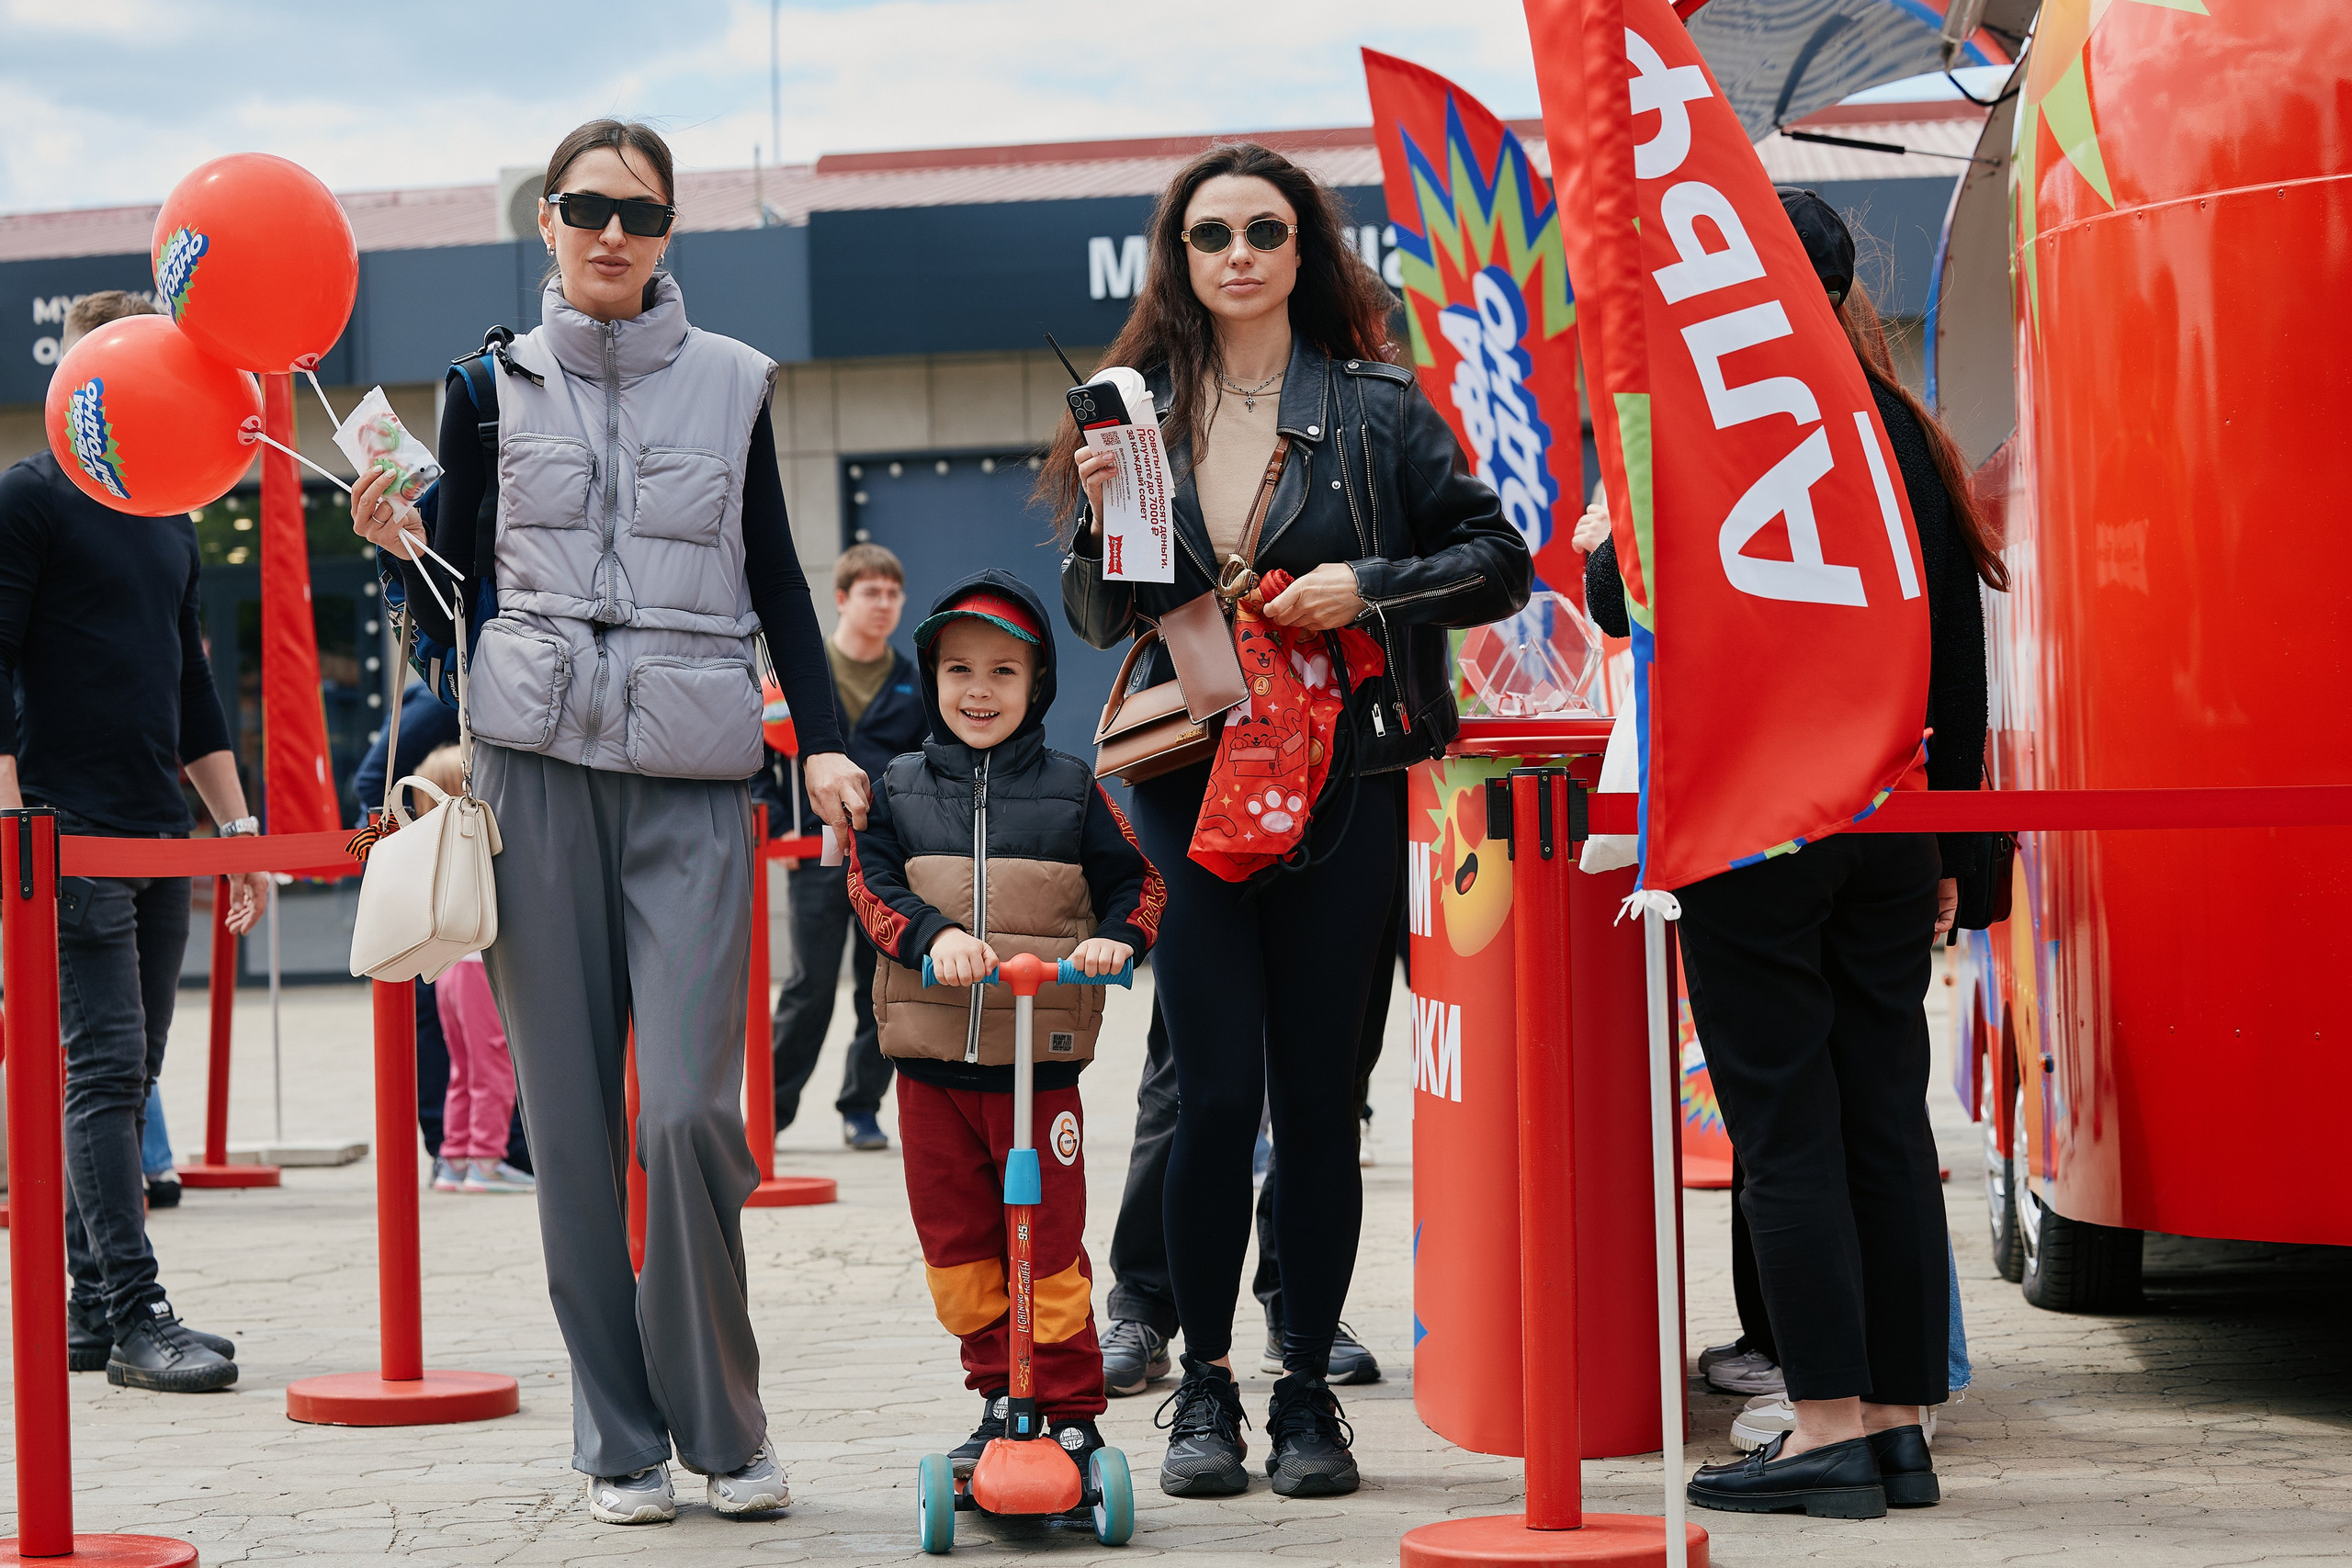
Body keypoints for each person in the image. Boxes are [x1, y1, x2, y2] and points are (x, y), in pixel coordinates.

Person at [348, 118, 868, 1526]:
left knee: (693, 1109)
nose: (610, 233)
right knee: (571, 1129)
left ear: (668, 231)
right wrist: (400, 560)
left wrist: (823, 742)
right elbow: (450, 615)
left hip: (697, 780)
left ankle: (725, 1421)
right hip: (532, 780)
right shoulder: (482, 389)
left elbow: (775, 572)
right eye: (585, 208)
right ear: (549, 223)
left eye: (636, 212)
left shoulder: (734, 383)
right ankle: (619, 1438)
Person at [1056, 141, 1529, 1498]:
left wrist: (1364, 583)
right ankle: (1204, 1383)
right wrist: (1100, 527)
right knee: (1210, 1100)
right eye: (1213, 234)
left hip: (1346, 789)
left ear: (1302, 247)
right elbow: (1103, 620)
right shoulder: (1132, 410)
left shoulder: (1379, 406)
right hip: (1186, 790)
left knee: (1323, 1105)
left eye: (1267, 228)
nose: (1241, 252)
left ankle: (1307, 1383)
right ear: (1181, 258)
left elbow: (1500, 559)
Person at [1583, 190, 2004, 1517]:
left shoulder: (1724, 435)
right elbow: (1961, 653)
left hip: (1764, 825)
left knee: (1789, 1130)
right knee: (1881, 1115)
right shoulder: (1902, 430)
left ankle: (1823, 1424)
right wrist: (1963, 853)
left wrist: (1609, 525)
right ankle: (1893, 1423)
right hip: (1893, 821)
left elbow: (1616, 596)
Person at [0, 288, 262, 1393]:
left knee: (127, 1069)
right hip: (66, 829)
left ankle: (85, 1306)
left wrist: (237, 825)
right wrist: (13, 817)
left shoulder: (171, 511)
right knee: (103, 1068)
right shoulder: (30, 495)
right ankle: (136, 1312)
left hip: (157, 830)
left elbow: (190, 680)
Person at [844, 570, 1161, 1481]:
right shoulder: (898, 787)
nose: (979, 692)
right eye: (958, 672)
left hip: (1038, 1063)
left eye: (1002, 674)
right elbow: (871, 889)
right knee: (957, 1249)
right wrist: (934, 937)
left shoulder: (1071, 790)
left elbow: (1139, 884)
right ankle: (996, 1392)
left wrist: (1113, 942)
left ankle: (1067, 1409)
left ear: (1037, 686)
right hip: (932, 1068)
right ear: (932, 678)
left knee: (1048, 1248)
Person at [764, 543, 926, 1152]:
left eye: (893, 593)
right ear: (841, 599)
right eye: (871, 593)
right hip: (812, 856)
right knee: (808, 987)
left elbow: (925, 765)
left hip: (885, 862)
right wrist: (780, 822)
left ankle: (861, 1107)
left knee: (878, 985)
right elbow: (757, 756)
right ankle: (769, 1113)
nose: (884, 604)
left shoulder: (912, 682)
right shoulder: (803, 675)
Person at [395, 744, 535, 1196]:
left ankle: (454, 1158)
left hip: (446, 970)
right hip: (478, 967)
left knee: (462, 1066)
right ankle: (488, 1161)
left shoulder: (431, 850)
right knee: (494, 1065)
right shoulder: (478, 845)